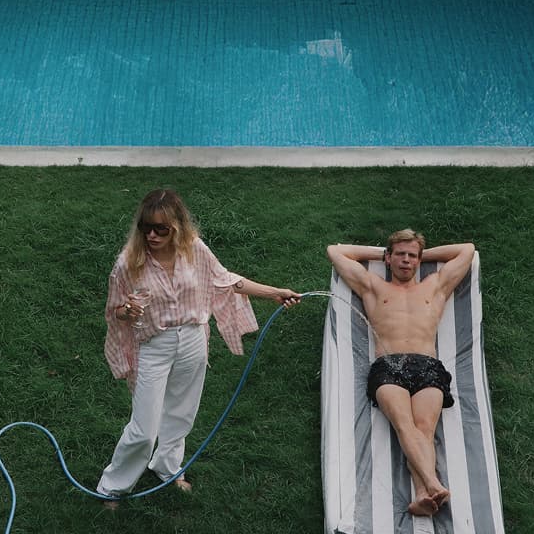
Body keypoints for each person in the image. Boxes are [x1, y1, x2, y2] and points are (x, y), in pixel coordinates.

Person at [97, 188, 301, 500]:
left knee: (181, 414)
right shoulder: (128, 262)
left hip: (193, 339)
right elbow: (114, 311)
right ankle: (112, 488)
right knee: (144, 428)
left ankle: (167, 467)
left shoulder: (194, 249)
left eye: (160, 229)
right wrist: (128, 310)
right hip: (154, 345)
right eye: (146, 228)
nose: (151, 235)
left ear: (177, 227)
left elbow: (226, 279)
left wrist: (274, 292)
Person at [326, 231, 475, 517]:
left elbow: (467, 250)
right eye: (400, 255)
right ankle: (432, 482)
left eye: (412, 256)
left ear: (419, 260)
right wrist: (384, 252)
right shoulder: (373, 287)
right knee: (404, 424)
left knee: (424, 429)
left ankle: (422, 496)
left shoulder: (435, 286)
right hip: (388, 365)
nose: (406, 260)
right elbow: (336, 251)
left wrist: (422, 253)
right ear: (389, 258)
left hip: (427, 364)